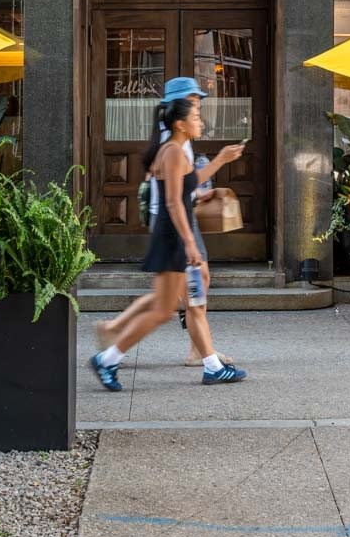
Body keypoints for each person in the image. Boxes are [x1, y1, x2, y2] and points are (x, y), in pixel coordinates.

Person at [91, 96, 247, 389]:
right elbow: (175, 203)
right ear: (180, 124)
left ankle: (211, 365)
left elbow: (192, 181)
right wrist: (190, 243)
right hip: (173, 236)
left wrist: (222, 159)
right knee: (167, 309)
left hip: (172, 235)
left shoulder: (175, 151)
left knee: (185, 303)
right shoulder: (173, 152)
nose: (200, 121)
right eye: (196, 115)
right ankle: (108, 359)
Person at [148, 77, 236, 367]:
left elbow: (182, 185)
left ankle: (200, 350)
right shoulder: (173, 143)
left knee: (183, 289)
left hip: (177, 216)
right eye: (193, 99)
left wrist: (201, 186)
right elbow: (173, 197)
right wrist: (188, 241)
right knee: (185, 288)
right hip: (174, 220)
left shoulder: (178, 139)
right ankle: (201, 353)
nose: (198, 104)